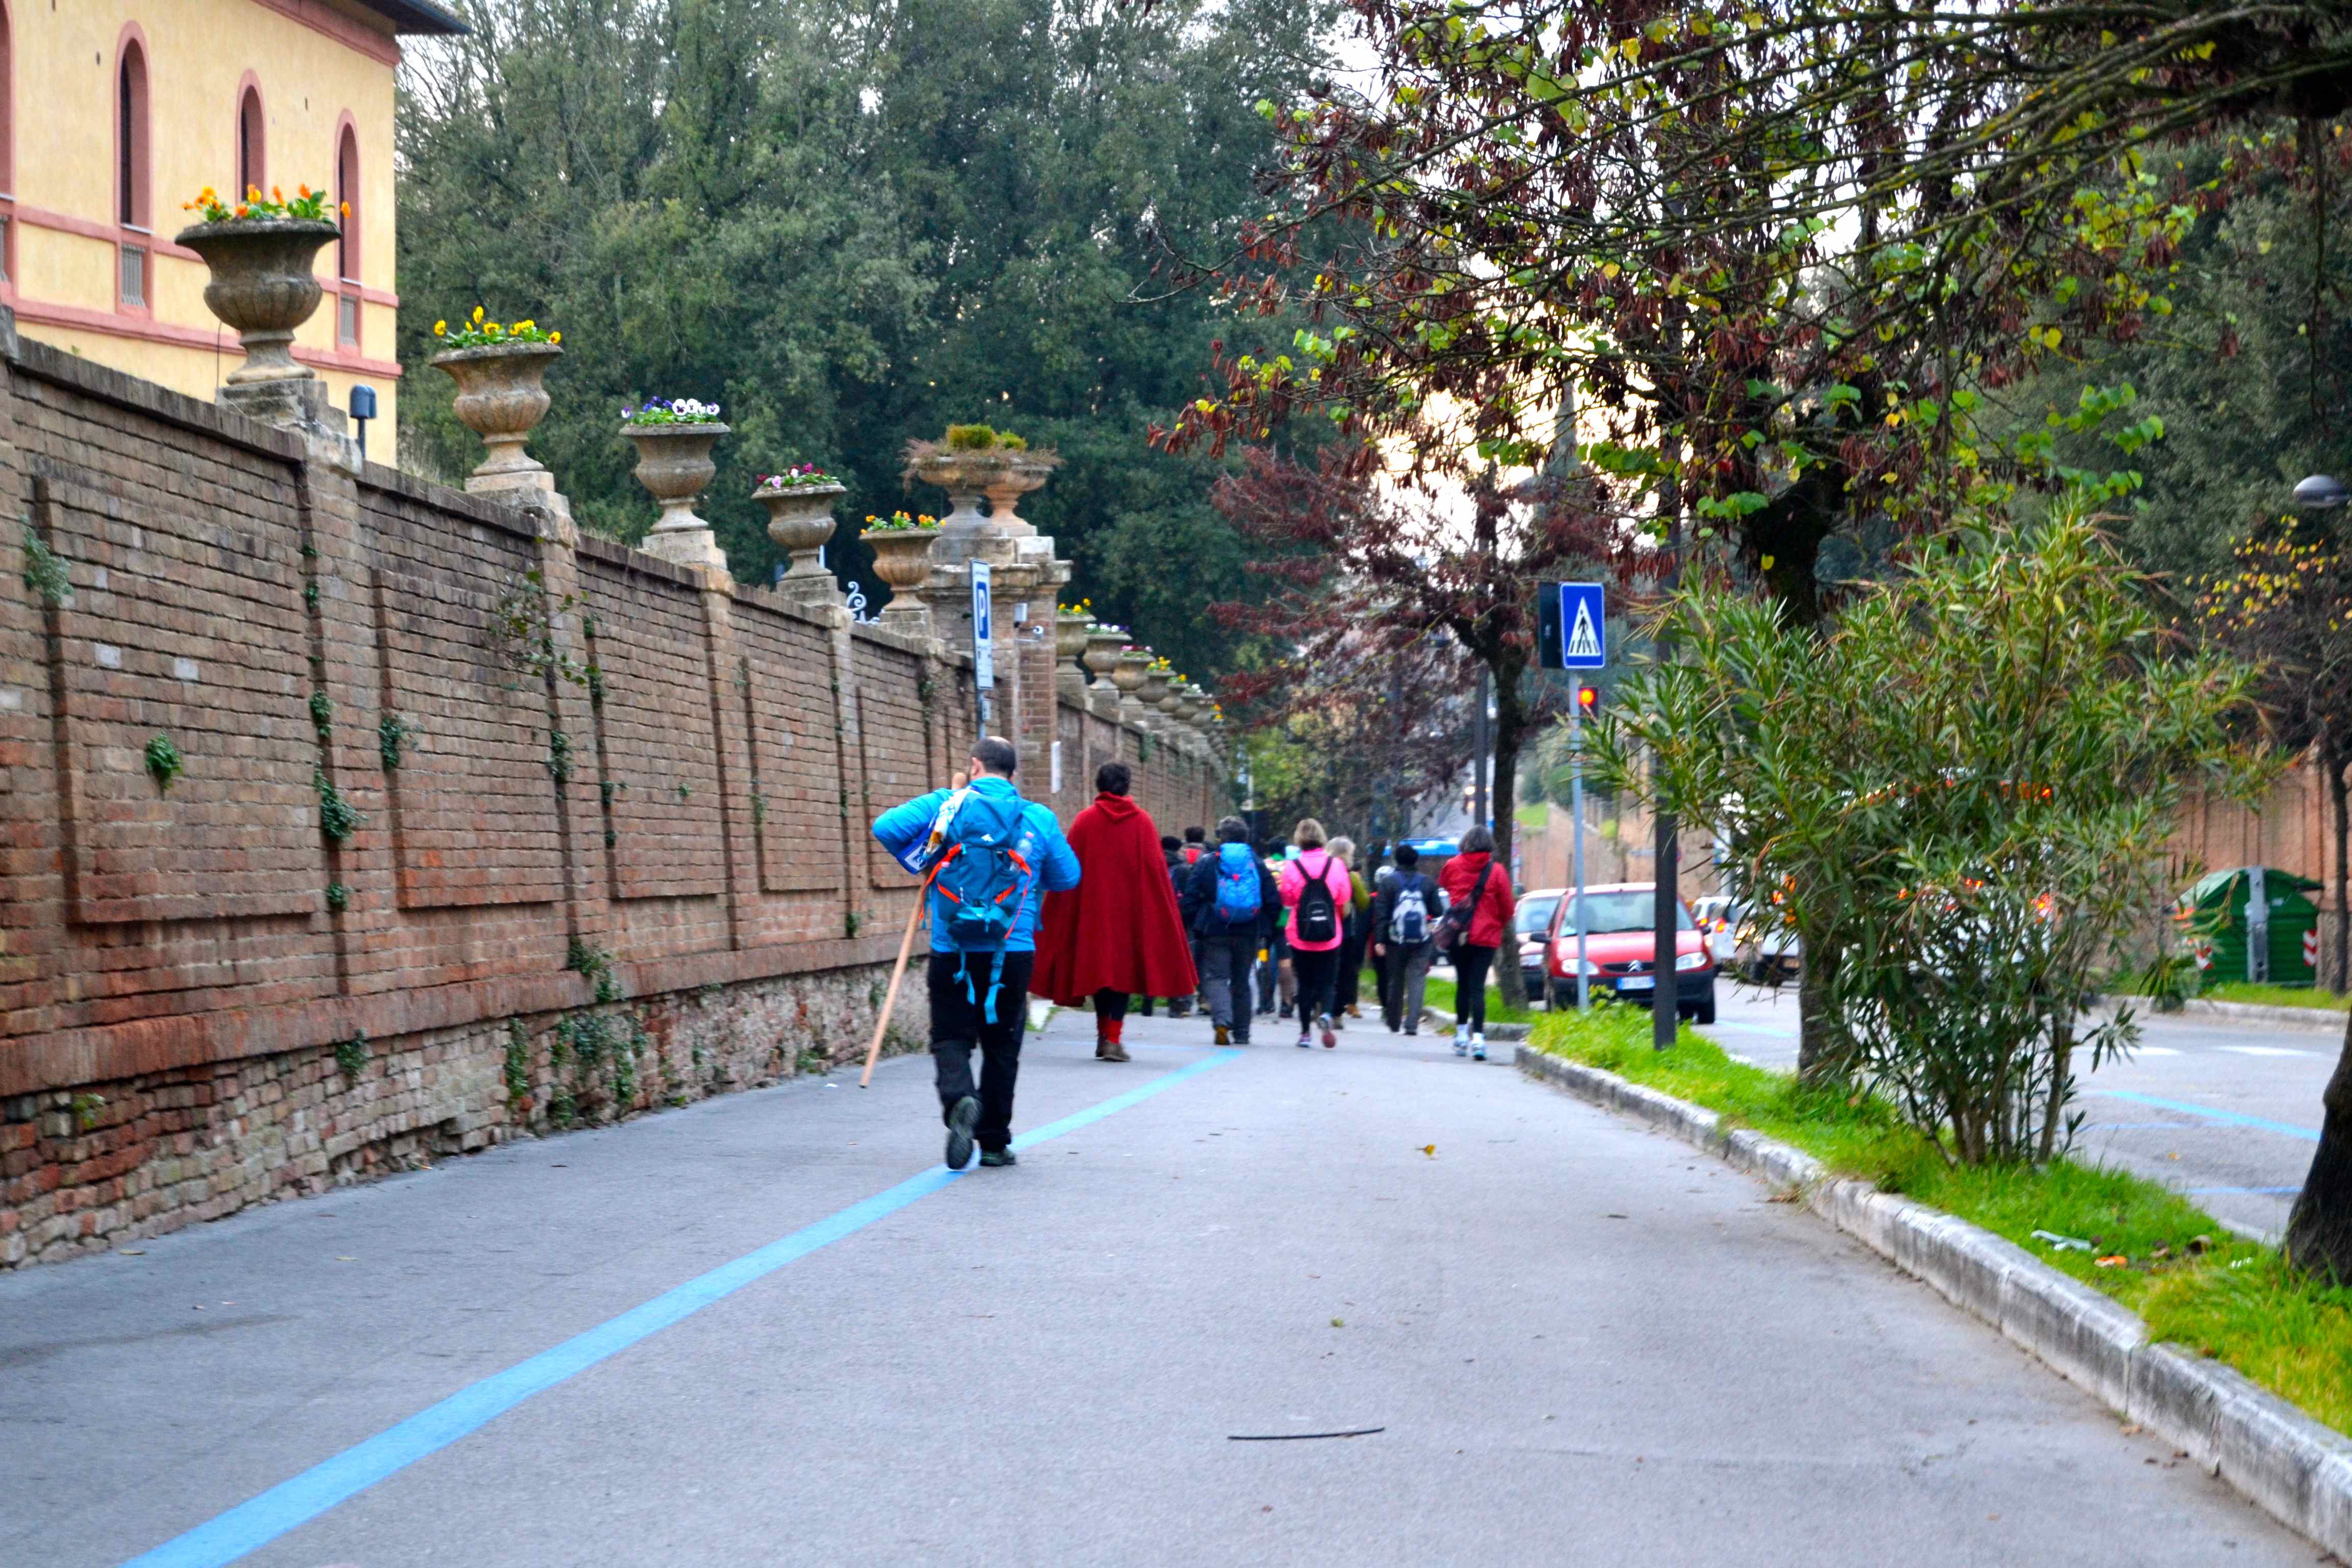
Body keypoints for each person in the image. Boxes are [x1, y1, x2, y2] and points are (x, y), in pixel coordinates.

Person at [871, 737, 1081, 1171]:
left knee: (950, 1037)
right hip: (1013, 949)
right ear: (1014, 774)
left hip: (953, 947)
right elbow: (1068, 877)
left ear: (974, 766)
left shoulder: (946, 805)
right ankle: (994, 1143)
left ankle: (960, 1100)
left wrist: (925, 859)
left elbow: (885, 828)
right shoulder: (1036, 817)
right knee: (1003, 1046)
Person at [1031, 762, 1198, 1062]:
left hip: (1092, 916)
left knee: (1100, 974)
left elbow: (1068, 870)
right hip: (1129, 917)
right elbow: (1155, 875)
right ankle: (1112, 1038)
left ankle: (1103, 1037)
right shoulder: (1143, 823)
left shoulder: (1084, 821)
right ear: (1128, 785)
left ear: (1098, 785)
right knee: (1121, 976)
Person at [1180, 816, 1280, 1046]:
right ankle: (1243, 1033)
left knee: (1216, 977)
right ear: (1246, 837)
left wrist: (1195, 923)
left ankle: (1223, 1021)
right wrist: (1269, 927)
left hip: (1215, 930)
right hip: (1248, 930)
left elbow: (1190, 897)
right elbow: (1272, 899)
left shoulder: (1208, 862)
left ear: (1220, 837)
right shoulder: (1256, 862)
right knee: (1241, 980)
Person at [1436, 823, 1517, 1060]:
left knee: (1462, 984)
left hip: (1459, 935)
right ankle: (1479, 1040)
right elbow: (1508, 908)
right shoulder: (1498, 871)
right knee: (1477, 987)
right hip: (1486, 936)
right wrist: (1496, 924)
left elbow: (1446, 885)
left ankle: (1461, 1036)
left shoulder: (1452, 865)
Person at [1279, 819, 1353, 1049]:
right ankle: (1327, 1013)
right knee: (1328, 982)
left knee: (1306, 984)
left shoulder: (1292, 867)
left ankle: (1304, 1034)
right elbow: (1343, 898)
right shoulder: (1336, 866)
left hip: (1300, 936)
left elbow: (1287, 899)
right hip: (1331, 935)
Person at [1371, 843, 1444, 1034]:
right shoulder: (1428, 883)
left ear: (1397, 860)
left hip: (1395, 939)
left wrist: (1380, 940)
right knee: (1417, 979)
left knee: (1395, 979)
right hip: (1422, 939)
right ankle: (1412, 1024)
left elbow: (1381, 914)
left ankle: (1394, 1022)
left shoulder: (1388, 883)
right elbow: (1438, 910)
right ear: (1416, 861)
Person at [1328, 837, 1374, 1026]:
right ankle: (1337, 1013)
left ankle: (1320, 1006)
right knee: (1344, 972)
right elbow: (1363, 904)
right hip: (1345, 931)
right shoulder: (1352, 876)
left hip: (1324, 929)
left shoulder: (1322, 871)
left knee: (1325, 970)